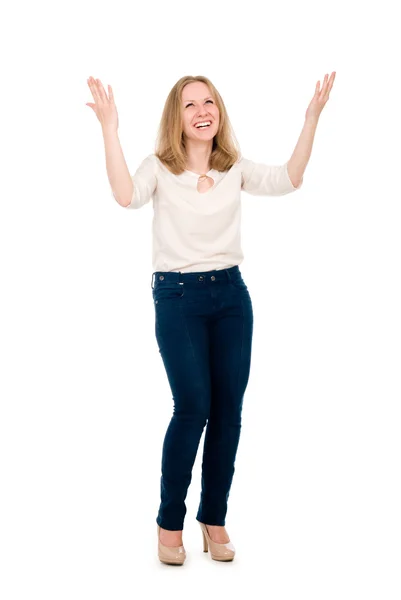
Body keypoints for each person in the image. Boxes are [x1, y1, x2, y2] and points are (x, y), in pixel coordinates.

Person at [86, 72, 336, 565]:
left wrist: (311, 120)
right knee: (192, 405)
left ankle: (214, 517)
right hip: (177, 298)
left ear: (218, 112)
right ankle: (168, 521)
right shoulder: (158, 168)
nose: (202, 111)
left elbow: (289, 178)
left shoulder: (234, 169)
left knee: (228, 410)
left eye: (209, 102)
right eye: (190, 105)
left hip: (230, 299)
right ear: (176, 119)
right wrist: (109, 129)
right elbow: (124, 196)